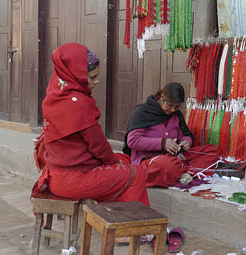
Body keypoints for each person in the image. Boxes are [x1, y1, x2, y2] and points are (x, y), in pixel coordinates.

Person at [32, 43, 149, 207]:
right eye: (92, 77)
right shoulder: (79, 104)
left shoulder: (54, 95)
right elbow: (99, 146)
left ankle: (120, 222)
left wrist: (116, 161)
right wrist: (115, 163)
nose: (97, 81)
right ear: (77, 75)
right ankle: (132, 225)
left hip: (54, 176)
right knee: (136, 173)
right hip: (74, 180)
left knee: (123, 160)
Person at [123, 83, 223, 188]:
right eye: (170, 105)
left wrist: (186, 142)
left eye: (177, 107)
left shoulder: (176, 114)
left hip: (176, 157)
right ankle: (184, 172)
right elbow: (133, 140)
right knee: (167, 165)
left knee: (212, 151)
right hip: (149, 160)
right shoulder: (143, 112)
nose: (172, 110)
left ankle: (182, 173)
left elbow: (185, 135)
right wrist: (163, 143)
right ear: (162, 98)